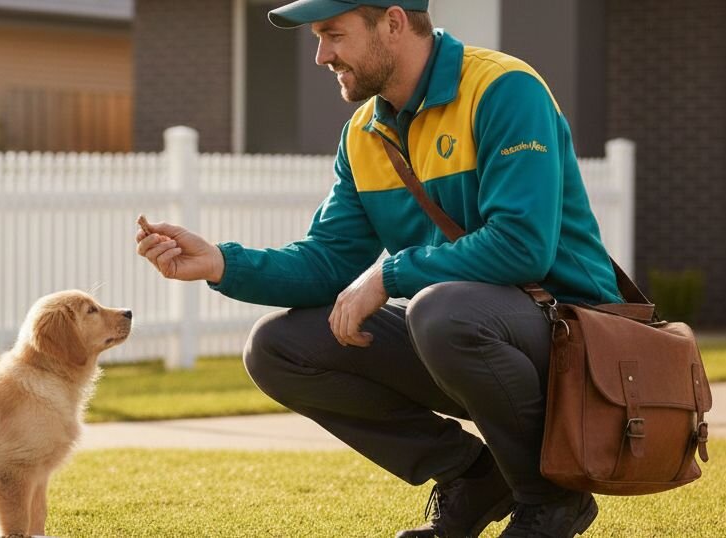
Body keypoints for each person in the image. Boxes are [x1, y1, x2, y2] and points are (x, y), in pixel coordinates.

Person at [135, 1, 620, 537]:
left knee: (442, 309)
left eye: (334, 35)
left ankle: (551, 502)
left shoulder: (504, 89)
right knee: (278, 346)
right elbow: (328, 260)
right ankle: (474, 476)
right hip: (462, 335)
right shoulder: (363, 134)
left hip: (572, 339)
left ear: (393, 22)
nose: (322, 55)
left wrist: (389, 277)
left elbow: (521, 247)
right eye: (318, 39)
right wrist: (223, 263)